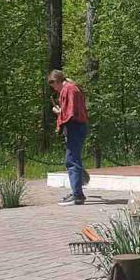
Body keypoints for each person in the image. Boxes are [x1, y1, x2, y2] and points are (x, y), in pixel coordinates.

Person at [48, 69, 89, 206]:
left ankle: (77, 195)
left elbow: (70, 113)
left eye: (54, 85)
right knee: (73, 158)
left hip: (75, 126)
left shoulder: (68, 89)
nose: (54, 89)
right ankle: (76, 191)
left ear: (57, 81)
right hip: (78, 126)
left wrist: (59, 113)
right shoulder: (73, 88)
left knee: (71, 160)